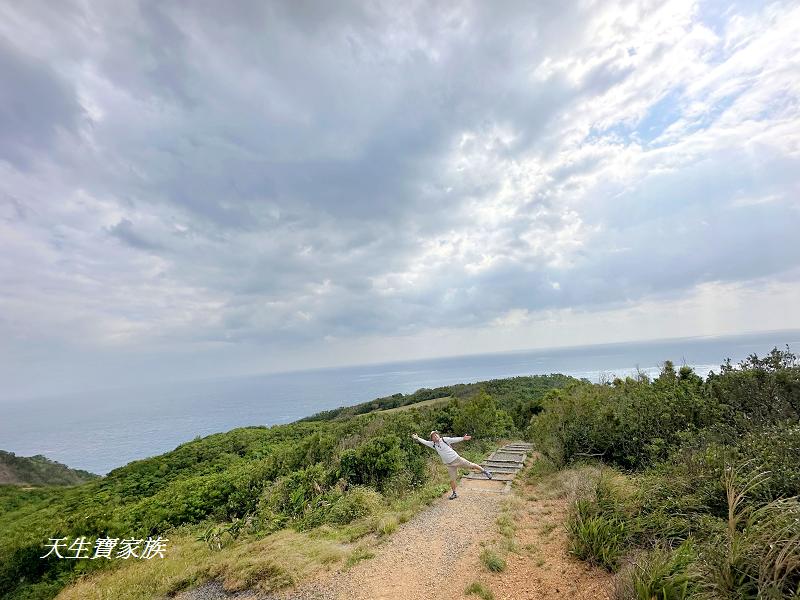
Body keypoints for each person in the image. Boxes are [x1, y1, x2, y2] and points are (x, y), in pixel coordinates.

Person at [411, 430, 492, 499]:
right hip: (449, 465)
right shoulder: (433, 444)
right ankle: (454, 493)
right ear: (432, 439)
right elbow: (425, 442)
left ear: (438, 435)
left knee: (471, 465)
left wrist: (463, 438)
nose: (435, 436)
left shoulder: (444, 439)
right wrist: (417, 438)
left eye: (436, 435)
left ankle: (485, 471)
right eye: (433, 436)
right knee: (452, 480)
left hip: (457, 459)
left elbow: (453, 439)